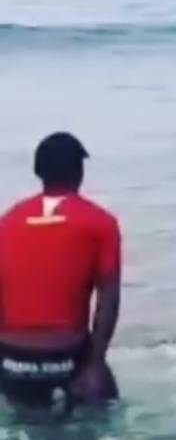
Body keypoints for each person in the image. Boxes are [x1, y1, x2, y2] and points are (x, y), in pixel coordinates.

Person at [0, 132, 121, 412]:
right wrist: (94, 365)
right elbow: (109, 297)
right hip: (67, 357)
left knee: (27, 433)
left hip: (11, 359)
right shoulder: (100, 222)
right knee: (104, 418)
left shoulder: (7, 222)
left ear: (38, 172)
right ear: (79, 171)